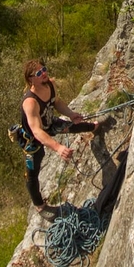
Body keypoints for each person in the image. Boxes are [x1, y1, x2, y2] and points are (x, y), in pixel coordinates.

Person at [19, 59, 97, 220]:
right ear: (31, 79)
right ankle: (40, 207)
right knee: (32, 173)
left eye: (44, 70)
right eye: (39, 73)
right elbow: (37, 131)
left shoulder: (50, 84)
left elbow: (57, 102)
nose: (44, 74)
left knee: (73, 125)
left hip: (49, 122)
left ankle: (94, 127)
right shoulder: (30, 102)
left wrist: (70, 113)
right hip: (32, 140)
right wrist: (58, 147)